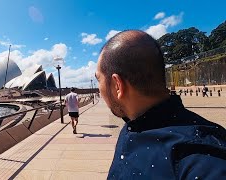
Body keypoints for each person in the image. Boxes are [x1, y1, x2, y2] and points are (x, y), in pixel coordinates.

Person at [95, 30, 226, 179]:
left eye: (98, 79)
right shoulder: (130, 125)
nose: (99, 89)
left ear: (117, 85)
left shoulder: (200, 158)